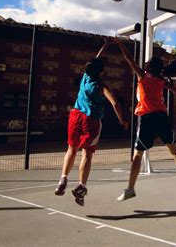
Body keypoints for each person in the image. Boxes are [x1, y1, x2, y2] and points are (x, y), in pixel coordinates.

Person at [112, 38, 176, 201]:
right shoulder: (161, 81)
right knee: (173, 150)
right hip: (161, 117)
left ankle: (130, 188)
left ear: (149, 66)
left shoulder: (142, 76)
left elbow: (129, 58)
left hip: (147, 118)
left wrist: (120, 43)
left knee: (137, 156)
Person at [54, 40, 129, 206]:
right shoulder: (102, 86)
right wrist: (122, 121)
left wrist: (106, 45)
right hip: (91, 120)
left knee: (71, 149)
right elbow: (115, 104)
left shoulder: (86, 77)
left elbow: (96, 58)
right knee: (86, 154)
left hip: (75, 115)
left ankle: (63, 179)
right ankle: (81, 186)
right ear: (101, 72)